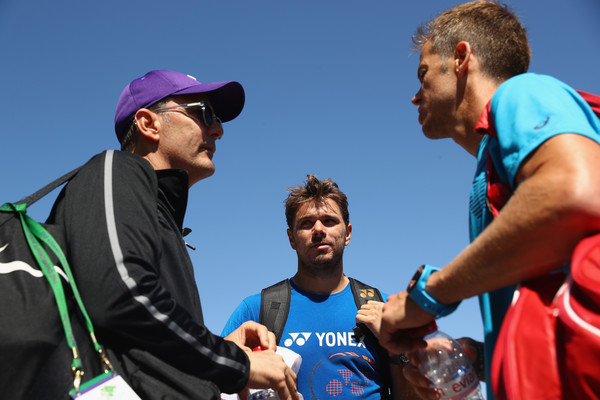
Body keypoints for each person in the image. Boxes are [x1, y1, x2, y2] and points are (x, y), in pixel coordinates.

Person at [378, 1, 600, 399]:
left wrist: (430, 294)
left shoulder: (522, 92)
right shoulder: (491, 161)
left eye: (423, 75)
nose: (415, 96)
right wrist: (477, 358)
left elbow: (576, 193)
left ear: (461, 58)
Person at [47, 70, 298, 400]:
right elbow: (121, 294)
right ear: (149, 123)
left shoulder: (162, 217)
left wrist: (218, 345)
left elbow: (141, 344)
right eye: (202, 113)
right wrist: (236, 362)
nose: (218, 130)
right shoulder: (116, 168)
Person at [221, 175, 418, 400]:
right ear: (291, 238)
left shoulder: (384, 307)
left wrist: (397, 347)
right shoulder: (255, 310)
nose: (318, 229)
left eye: (329, 221)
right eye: (306, 223)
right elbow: (211, 384)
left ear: (348, 233)